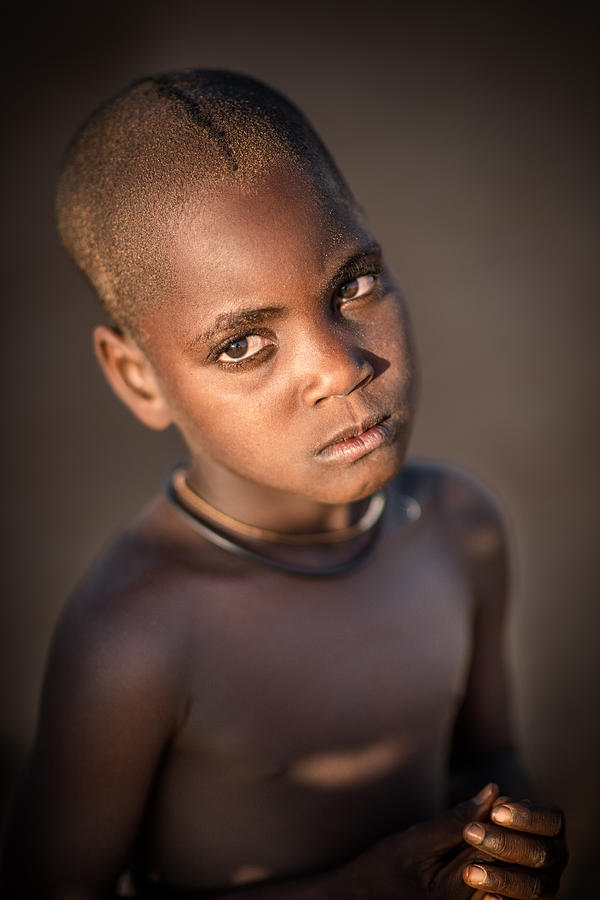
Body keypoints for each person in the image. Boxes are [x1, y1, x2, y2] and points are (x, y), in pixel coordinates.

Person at [0, 70, 567, 899]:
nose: (341, 370)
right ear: (138, 378)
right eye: (242, 346)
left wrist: (508, 843)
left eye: (353, 285)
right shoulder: (137, 639)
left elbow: (488, 759)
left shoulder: (460, 528)